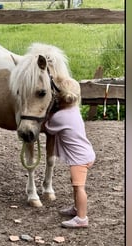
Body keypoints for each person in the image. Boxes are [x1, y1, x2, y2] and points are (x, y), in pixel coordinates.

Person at [45, 77, 96, 228]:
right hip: (85, 154)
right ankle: (76, 209)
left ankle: (82, 218)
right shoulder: (73, 109)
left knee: (79, 187)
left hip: (79, 159)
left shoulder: (60, 117)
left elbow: (47, 128)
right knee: (75, 184)